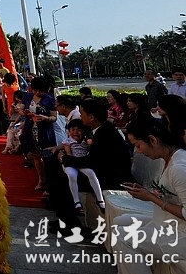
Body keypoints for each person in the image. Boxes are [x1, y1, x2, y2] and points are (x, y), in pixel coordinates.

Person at [111, 116, 186, 274]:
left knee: (123, 236)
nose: (138, 151)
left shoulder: (179, 168)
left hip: (180, 234)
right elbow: (172, 194)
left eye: (138, 145)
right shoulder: (169, 158)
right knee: (118, 221)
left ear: (152, 140)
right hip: (168, 221)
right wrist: (147, 192)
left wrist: (151, 198)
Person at [51, 99, 132, 232]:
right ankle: (64, 219)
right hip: (99, 169)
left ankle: (70, 225)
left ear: (91, 117)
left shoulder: (105, 134)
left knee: (62, 179)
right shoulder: (99, 130)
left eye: (82, 113)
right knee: (57, 170)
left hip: (110, 176)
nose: (80, 116)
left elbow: (91, 161)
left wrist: (65, 158)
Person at [19, 76, 59, 190]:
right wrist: (24, 112)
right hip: (30, 129)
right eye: (35, 90)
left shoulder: (49, 99)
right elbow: (21, 109)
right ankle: (41, 179)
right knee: (33, 154)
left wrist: (46, 118)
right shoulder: (27, 96)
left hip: (44, 130)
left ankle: (48, 181)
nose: (37, 93)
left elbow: (54, 117)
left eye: (40, 91)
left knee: (46, 156)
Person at [60, 119, 105, 214]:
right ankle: (76, 201)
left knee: (91, 173)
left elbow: (90, 151)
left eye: (79, 130)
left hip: (82, 163)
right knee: (72, 175)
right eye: (73, 130)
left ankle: (100, 199)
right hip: (71, 163)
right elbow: (69, 155)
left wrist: (90, 144)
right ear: (69, 131)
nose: (76, 132)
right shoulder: (68, 141)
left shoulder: (86, 141)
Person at [3, 90, 25, 154]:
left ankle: (18, 148)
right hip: (18, 122)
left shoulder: (26, 105)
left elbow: (25, 117)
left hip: (25, 124)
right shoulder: (15, 104)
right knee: (10, 130)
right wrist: (14, 124)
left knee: (19, 134)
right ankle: (8, 146)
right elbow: (19, 116)